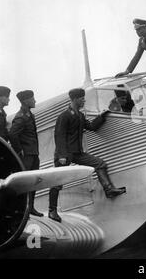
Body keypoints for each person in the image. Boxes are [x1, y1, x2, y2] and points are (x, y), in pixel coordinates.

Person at [48, 88, 126, 222]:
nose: (84, 100)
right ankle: (52, 211)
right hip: (65, 154)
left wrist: (102, 116)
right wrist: (61, 156)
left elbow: (91, 127)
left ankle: (109, 190)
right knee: (58, 182)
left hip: (77, 153)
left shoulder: (80, 115)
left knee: (99, 163)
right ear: (74, 99)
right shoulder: (64, 115)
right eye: (81, 98)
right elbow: (59, 136)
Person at [9, 90, 43, 217]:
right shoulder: (20, 116)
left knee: (34, 181)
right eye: (32, 98)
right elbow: (12, 134)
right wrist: (19, 150)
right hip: (26, 155)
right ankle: (23, 211)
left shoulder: (29, 114)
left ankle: (30, 208)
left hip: (33, 154)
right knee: (25, 183)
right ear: (25, 101)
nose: (35, 101)